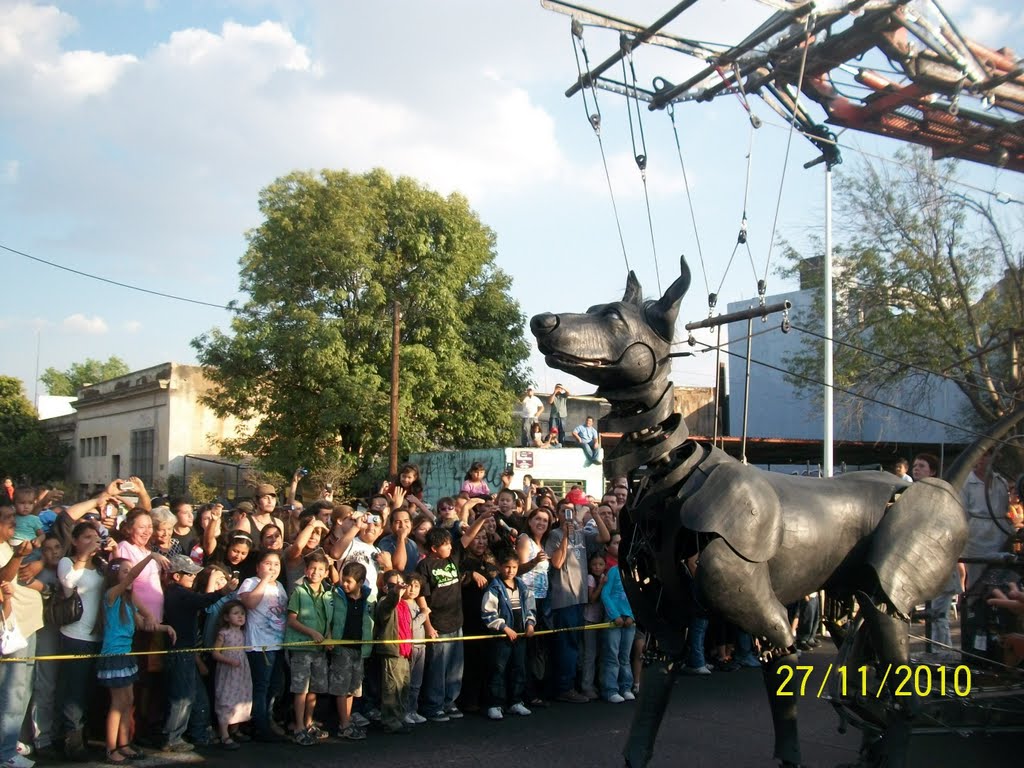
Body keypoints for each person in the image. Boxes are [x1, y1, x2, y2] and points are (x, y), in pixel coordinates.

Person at [97, 555, 176, 764]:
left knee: (129, 701)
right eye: (124, 571)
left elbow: (143, 625)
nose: (129, 575)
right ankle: (111, 748)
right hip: (114, 657)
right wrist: (150, 557)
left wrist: (164, 627)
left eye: (129, 571)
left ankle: (124, 744)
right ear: (115, 576)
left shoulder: (128, 601)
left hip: (127, 655)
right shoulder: (111, 595)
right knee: (117, 703)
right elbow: (131, 577)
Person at [415, 511, 492, 722]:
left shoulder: (454, 557)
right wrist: (428, 625)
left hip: (457, 621)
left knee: (455, 667)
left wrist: (482, 518)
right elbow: (422, 595)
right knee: (437, 668)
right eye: (446, 545)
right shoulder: (425, 566)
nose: (450, 547)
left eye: (450, 544)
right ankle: (433, 705)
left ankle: (450, 702)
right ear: (434, 549)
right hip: (438, 625)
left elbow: (467, 537)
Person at [162, 554, 236, 752]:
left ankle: (195, 733)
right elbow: (203, 600)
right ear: (176, 576)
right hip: (180, 651)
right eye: (189, 574)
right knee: (182, 696)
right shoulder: (178, 594)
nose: (193, 577)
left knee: (192, 695)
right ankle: (173, 737)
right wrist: (223, 591)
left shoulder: (178, 593)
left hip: (185, 651)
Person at [545, 502, 610, 702]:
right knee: (567, 645)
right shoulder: (554, 535)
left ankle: (569, 685)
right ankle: (564, 688)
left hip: (580, 598)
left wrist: (595, 514)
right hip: (563, 598)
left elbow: (605, 537)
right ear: (558, 514)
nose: (569, 515)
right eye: (564, 511)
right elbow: (555, 562)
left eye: (571, 511)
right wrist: (565, 535)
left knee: (575, 645)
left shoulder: (582, 533)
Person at [57, 521, 109, 761]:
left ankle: (89, 736)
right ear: (75, 541)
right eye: (86, 537)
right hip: (75, 635)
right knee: (74, 691)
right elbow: (68, 586)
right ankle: (72, 742)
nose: (92, 541)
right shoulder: (67, 563)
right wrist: (83, 557)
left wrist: (114, 553)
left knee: (90, 689)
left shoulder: (101, 566)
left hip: (98, 635)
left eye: (95, 537)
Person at [238, 551, 288, 742]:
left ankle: (267, 719)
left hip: (278, 644)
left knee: (275, 686)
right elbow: (250, 603)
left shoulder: (280, 586)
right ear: (258, 566)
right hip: (259, 645)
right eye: (268, 564)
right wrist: (264, 580)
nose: (272, 568)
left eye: (276, 564)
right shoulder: (250, 582)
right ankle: (260, 727)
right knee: (262, 686)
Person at [284, 552, 333, 745]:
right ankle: (298, 726)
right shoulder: (299, 592)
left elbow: (327, 620)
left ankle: (309, 722)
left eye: (320, 569)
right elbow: (292, 620)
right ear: (306, 570)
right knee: (300, 689)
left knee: (314, 687)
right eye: (312, 568)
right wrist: (311, 633)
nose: (315, 572)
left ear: (326, 573)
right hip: (302, 647)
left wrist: (328, 637)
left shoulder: (327, 593)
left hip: (319, 649)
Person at [481, 553, 536, 720]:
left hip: (520, 634)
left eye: (514, 567)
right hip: (502, 636)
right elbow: (488, 613)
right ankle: (495, 704)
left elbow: (530, 607)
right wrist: (504, 628)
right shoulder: (495, 587)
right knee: (499, 668)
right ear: (499, 566)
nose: (510, 571)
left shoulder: (522, 586)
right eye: (507, 567)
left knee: (519, 667)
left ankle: (516, 701)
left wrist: (530, 623)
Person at [329, 561, 373, 741]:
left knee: (352, 688)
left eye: (349, 581)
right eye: (343, 580)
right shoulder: (336, 596)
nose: (344, 584)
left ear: (360, 582)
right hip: (342, 647)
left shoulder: (368, 599)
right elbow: (329, 617)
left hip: (360, 648)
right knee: (341, 687)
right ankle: (344, 723)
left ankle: (346, 721)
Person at [375, 571, 414, 735]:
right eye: (392, 585)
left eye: (400, 585)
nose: (397, 588)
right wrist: (394, 593)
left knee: (403, 687)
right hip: (392, 651)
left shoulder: (405, 605)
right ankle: (390, 721)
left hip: (405, 651)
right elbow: (388, 605)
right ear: (385, 588)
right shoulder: (385, 601)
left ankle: (400, 717)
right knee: (392, 688)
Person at [210, 601, 252, 750]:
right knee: (226, 698)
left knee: (241, 697)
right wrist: (229, 660)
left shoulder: (243, 632)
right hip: (228, 671)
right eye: (236, 613)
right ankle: (224, 734)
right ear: (227, 617)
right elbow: (215, 653)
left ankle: (235, 729)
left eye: (242, 613)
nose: (240, 616)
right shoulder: (223, 633)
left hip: (241, 671)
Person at [600, 562, 636, 703]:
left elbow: (638, 597)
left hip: (629, 620)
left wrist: (632, 616)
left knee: (625, 656)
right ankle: (610, 690)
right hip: (614, 619)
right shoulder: (614, 571)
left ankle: (626, 687)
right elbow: (605, 594)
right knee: (612, 655)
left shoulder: (635, 572)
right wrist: (615, 615)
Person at [580, 551, 607, 700]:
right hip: (590, 619)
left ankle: (597, 683)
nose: (597, 567)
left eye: (601, 564)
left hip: (601, 619)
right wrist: (601, 585)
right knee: (589, 655)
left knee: (598, 654)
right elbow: (591, 599)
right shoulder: (591, 578)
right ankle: (587, 686)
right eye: (594, 565)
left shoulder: (604, 577)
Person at [402, 573, 429, 725]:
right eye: (410, 585)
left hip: (421, 645)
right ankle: (404, 711)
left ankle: (413, 710)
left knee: (416, 683)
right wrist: (424, 615)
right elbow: (409, 627)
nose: (412, 589)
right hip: (409, 646)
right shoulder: (402, 604)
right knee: (407, 681)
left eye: (416, 586)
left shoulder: (417, 604)